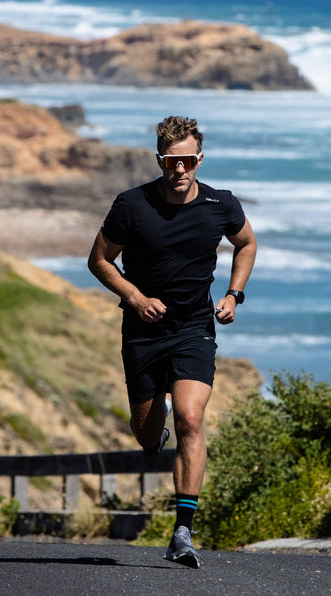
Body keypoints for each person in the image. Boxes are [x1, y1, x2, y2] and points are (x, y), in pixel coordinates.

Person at [87, 115, 257, 568]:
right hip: (142, 331)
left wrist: (234, 295)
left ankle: (182, 531)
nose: (178, 170)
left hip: (193, 328)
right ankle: (152, 424)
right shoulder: (131, 205)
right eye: (170, 162)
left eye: (186, 161)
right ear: (159, 160)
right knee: (148, 436)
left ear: (199, 159)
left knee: (191, 419)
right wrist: (135, 296)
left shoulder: (222, 204)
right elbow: (99, 260)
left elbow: (246, 244)